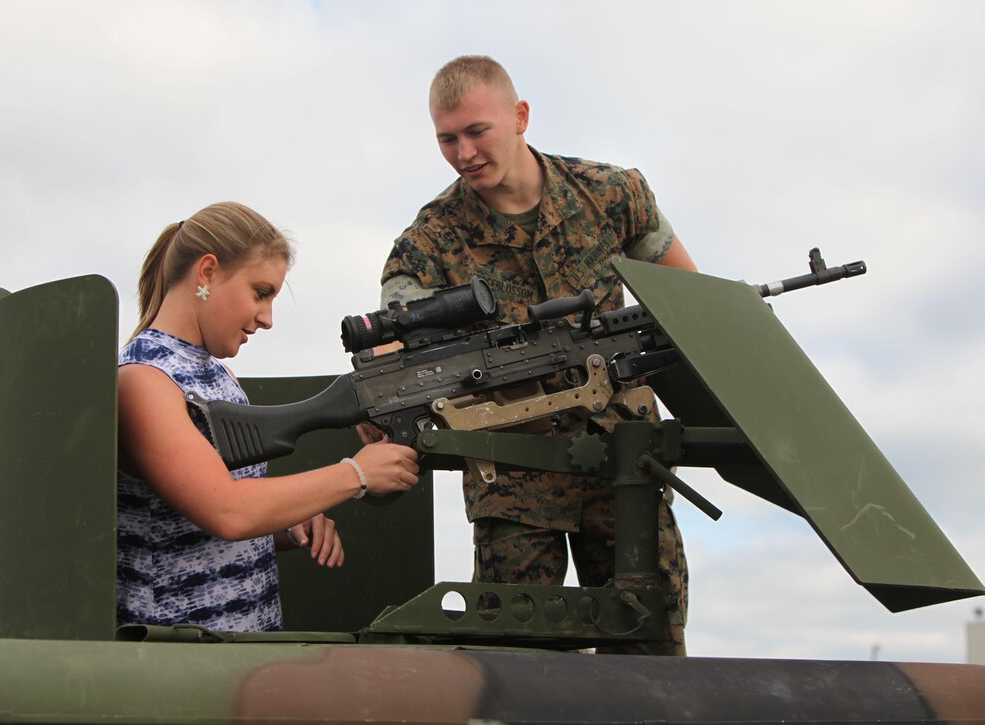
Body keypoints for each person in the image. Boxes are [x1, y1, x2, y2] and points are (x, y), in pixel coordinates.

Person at [379, 56, 696, 655]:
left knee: (650, 651)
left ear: (520, 116)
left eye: (477, 131)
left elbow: (690, 301)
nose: (463, 152)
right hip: (513, 476)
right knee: (519, 663)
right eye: (447, 139)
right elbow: (393, 351)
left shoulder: (611, 194)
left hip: (625, 464)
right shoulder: (429, 240)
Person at [117, 201, 420, 631]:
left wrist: (287, 522)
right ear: (207, 273)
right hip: (174, 666)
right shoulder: (143, 379)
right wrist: (356, 473)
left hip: (239, 652)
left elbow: (202, 519)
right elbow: (227, 512)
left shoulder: (216, 374)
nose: (267, 318)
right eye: (261, 292)